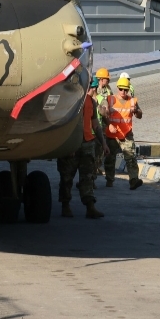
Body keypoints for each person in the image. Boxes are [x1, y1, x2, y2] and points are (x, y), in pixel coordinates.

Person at [57, 80, 107, 219]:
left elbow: (95, 124)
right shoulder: (70, 100)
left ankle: (90, 206)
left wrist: (103, 143)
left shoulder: (92, 101)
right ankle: (65, 205)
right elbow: (62, 122)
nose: (92, 88)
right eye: (90, 85)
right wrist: (68, 145)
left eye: (92, 86)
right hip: (72, 144)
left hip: (87, 143)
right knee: (67, 177)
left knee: (88, 177)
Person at [104, 77, 143, 190]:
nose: (123, 92)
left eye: (126, 90)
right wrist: (109, 124)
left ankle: (133, 180)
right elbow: (102, 112)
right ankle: (109, 179)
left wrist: (136, 110)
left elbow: (140, 115)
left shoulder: (132, 101)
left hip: (126, 134)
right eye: (121, 89)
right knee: (110, 159)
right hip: (112, 135)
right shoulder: (110, 99)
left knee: (131, 157)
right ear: (117, 88)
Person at [92, 68, 113, 178]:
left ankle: (96, 168)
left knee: (100, 150)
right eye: (106, 79)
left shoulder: (108, 90)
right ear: (100, 79)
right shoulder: (93, 92)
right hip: (93, 129)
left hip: (102, 125)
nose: (108, 81)